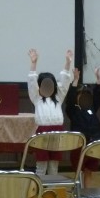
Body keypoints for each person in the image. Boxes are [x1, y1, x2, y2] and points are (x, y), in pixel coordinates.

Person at [27, 48, 73, 177]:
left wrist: (68, 63)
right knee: (41, 165)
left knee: (53, 165)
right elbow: (31, 83)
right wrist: (33, 63)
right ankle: (40, 188)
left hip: (57, 132)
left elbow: (65, 82)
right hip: (42, 132)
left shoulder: (58, 98)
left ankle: (52, 187)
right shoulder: (37, 98)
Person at [65, 67, 100, 188]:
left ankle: (87, 191)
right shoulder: (73, 111)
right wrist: (75, 80)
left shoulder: (92, 108)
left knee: (89, 170)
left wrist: (98, 80)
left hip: (92, 142)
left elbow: (97, 96)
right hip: (79, 144)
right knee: (79, 169)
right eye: (82, 96)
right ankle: (78, 191)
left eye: (87, 96)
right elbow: (70, 98)